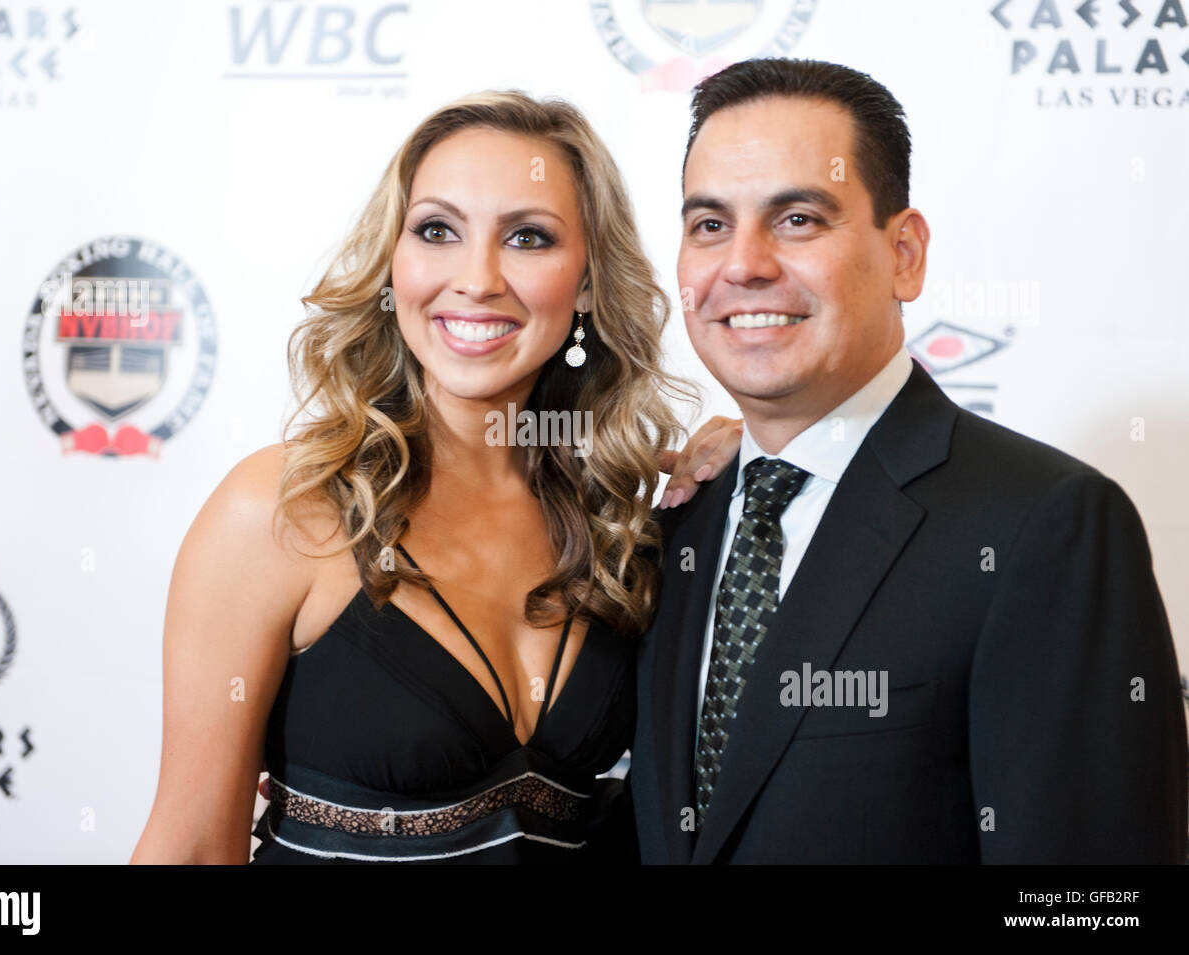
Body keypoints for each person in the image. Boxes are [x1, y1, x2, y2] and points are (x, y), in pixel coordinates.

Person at [129, 89, 716, 864]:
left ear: (586, 285)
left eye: (528, 238)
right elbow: (193, 848)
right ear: (392, 262)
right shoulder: (283, 510)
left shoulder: (620, 519)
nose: (476, 278)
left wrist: (762, 449)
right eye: (437, 230)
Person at [632, 57, 1188, 863]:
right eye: (710, 224)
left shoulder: (1047, 527)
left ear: (905, 254)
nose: (743, 264)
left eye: (797, 219)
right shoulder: (677, 525)